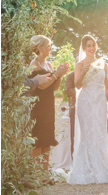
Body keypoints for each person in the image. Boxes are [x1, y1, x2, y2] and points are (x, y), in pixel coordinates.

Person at [67, 34, 108, 185]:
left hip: (100, 101)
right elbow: (77, 85)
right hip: (85, 100)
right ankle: (87, 168)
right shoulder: (79, 64)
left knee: (100, 133)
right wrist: (83, 72)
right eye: (88, 45)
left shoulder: (103, 64)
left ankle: (104, 166)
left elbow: (107, 86)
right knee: (87, 133)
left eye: (93, 45)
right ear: (83, 48)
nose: (91, 48)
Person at [25, 35, 68, 173]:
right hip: (37, 105)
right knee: (38, 139)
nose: (50, 48)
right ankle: (36, 174)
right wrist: (56, 74)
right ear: (40, 48)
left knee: (47, 138)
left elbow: (53, 87)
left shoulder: (49, 65)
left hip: (49, 105)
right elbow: (41, 86)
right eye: (48, 46)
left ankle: (44, 174)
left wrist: (60, 74)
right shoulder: (34, 65)